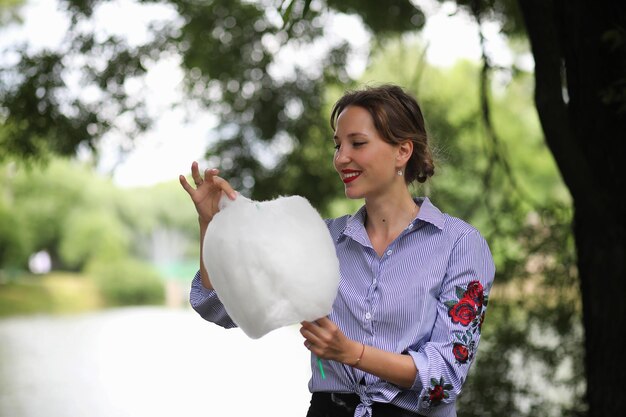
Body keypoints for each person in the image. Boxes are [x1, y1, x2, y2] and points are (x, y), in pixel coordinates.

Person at [179, 84, 495, 417]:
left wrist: (352, 352)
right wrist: (210, 225)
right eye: (338, 145)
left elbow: (447, 374)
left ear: (402, 151)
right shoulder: (320, 238)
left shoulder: (460, 244)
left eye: (357, 143)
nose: (341, 158)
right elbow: (218, 307)